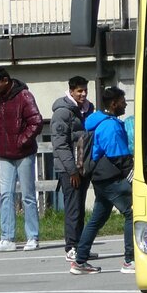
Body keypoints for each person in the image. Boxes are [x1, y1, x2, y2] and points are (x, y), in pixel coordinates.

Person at [71, 87, 135, 275]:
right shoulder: (110, 126)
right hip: (110, 178)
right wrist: (133, 177)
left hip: (100, 177)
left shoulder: (100, 121)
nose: (125, 104)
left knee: (98, 217)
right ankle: (129, 260)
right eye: (123, 101)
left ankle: (80, 261)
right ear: (114, 103)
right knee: (132, 213)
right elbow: (119, 157)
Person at [0, 67, 43, 252]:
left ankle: (32, 236)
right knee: (5, 195)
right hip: (4, 153)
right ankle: (7, 238)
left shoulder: (24, 96)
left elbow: (36, 121)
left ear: (5, 80)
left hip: (23, 153)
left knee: (28, 196)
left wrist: (21, 141)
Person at [51, 76, 95, 262]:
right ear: (71, 91)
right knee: (72, 209)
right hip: (69, 169)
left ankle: (80, 246)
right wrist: (72, 171)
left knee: (80, 207)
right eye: (79, 91)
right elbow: (60, 144)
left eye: (85, 90)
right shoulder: (62, 112)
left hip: (83, 166)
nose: (83, 94)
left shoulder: (88, 109)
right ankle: (71, 247)